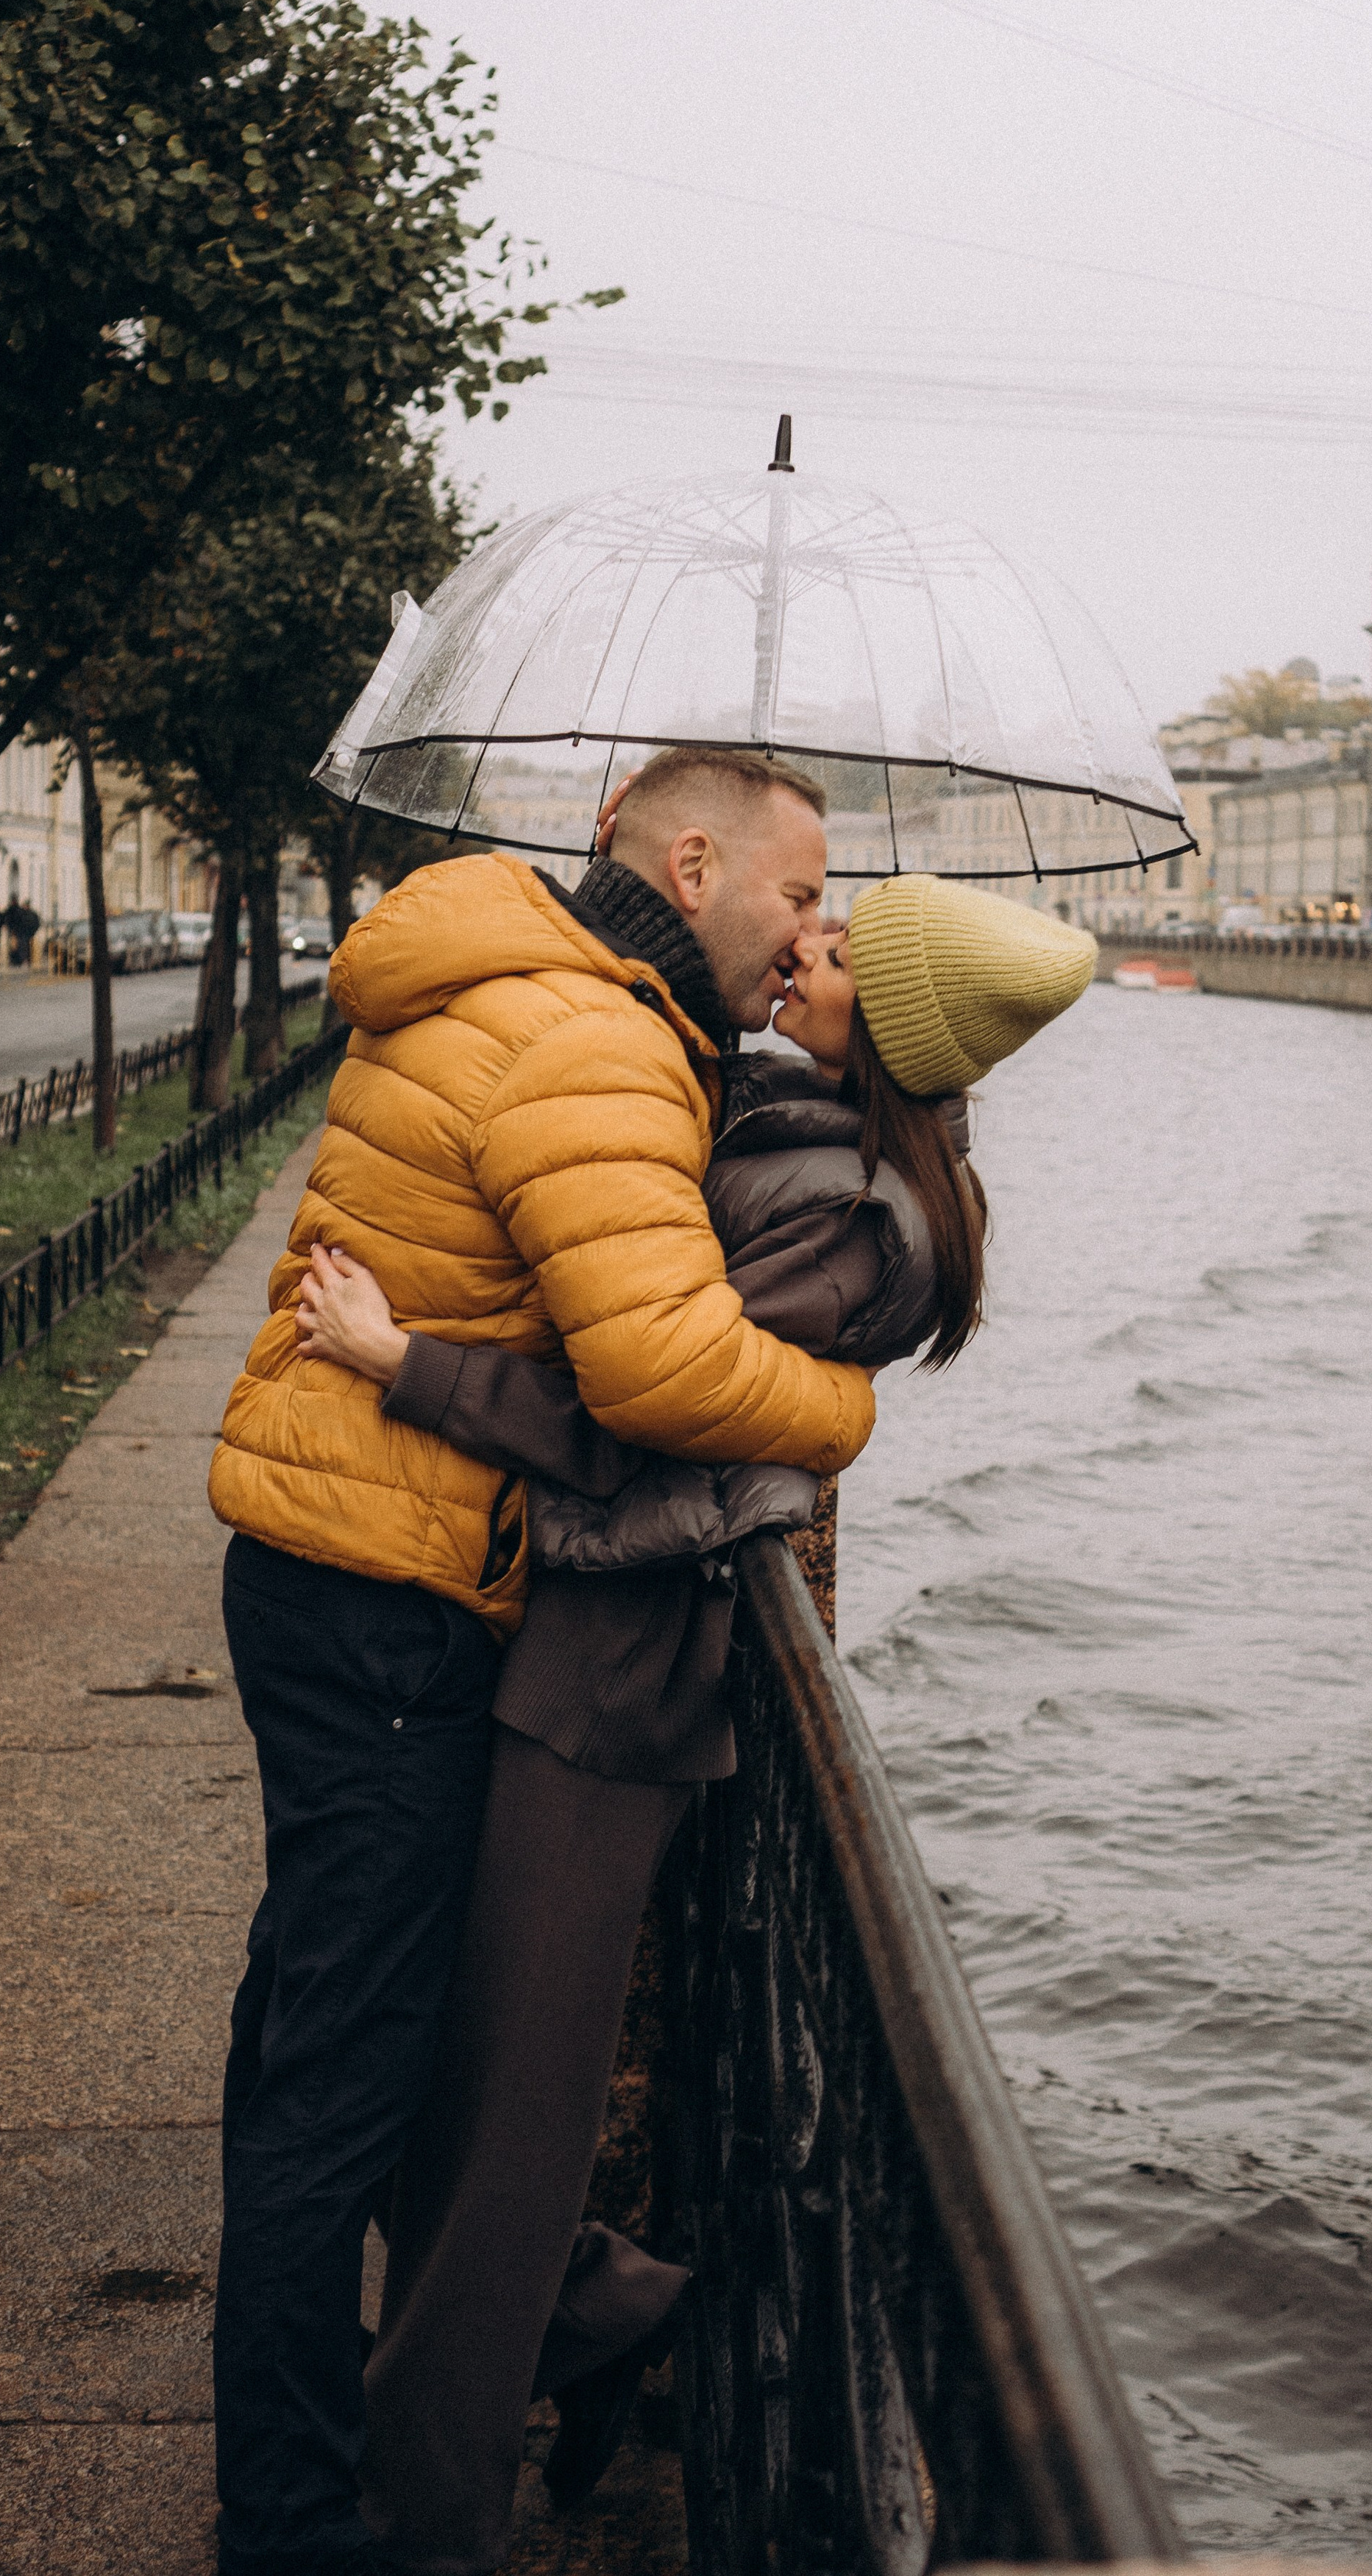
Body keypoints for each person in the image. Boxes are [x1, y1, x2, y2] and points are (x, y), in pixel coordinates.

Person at [289, 873, 1098, 2575]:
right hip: (560, 1623)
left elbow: (637, 1421)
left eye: (840, 949)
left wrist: (400, 1359)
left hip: (621, 1665)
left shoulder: (863, 1215)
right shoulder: (783, 1125)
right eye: (816, 918)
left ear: (893, 1023)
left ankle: (430, 2516)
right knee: (437, 2059)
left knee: (503, 2117)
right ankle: (593, 2306)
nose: (802, 945)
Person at [205, 748, 884, 2576]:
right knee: (339, 2073)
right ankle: (288, 2521)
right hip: (393, 1579)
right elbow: (660, 1369)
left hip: (324, 1548)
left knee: (310, 2027)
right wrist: (838, 1413)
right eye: (798, 894)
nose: (810, 932)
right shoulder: (595, 1039)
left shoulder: (509, 965)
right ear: (694, 865)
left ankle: (471, 2350)